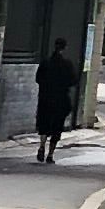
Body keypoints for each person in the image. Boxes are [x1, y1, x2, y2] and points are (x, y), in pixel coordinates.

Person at [35, 36, 80, 164]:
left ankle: (42, 146)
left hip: (45, 98)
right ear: (65, 48)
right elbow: (73, 81)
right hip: (60, 99)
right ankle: (50, 154)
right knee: (57, 127)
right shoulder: (67, 64)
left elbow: (38, 79)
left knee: (43, 123)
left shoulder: (45, 63)